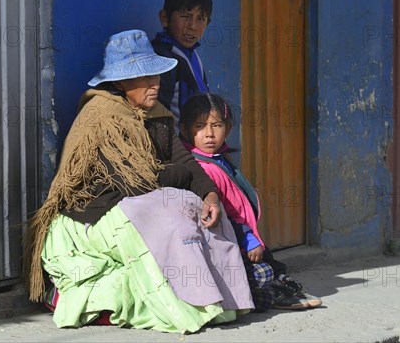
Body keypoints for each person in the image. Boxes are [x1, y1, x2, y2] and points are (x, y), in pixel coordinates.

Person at [22, 30, 254, 333]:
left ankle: (221, 302)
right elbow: (133, 180)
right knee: (171, 214)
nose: (154, 84)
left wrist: (210, 195)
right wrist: (178, 175)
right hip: (93, 216)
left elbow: (184, 163)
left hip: (136, 200)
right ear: (120, 83)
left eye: (156, 75)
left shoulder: (156, 114)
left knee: (201, 207)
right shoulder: (102, 116)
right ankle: (189, 307)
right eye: (143, 77)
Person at [178, 92, 322, 312]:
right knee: (262, 273)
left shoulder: (219, 159)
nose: (209, 134)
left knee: (267, 263)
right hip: (228, 240)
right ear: (184, 130)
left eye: (216, 125)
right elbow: (223, 213)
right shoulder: (200, 168)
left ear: (228, 128)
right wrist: (245, 236)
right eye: (200, 126)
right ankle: (272, 289)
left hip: (244, 237)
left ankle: (278, 289)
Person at [151, 0, 212, 124]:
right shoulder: (161, 59)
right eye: (185, 16)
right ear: (165, 18)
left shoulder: (192, 55)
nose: (193, 26)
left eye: (201, 19)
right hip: (176, 144)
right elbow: (157, 116)